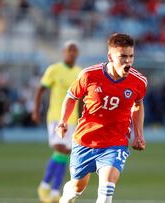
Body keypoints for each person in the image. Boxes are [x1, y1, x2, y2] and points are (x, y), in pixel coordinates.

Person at [57, 33, 147, 203]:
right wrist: (63, 121)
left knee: (106, 191)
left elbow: (138, 105)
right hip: (86, 139)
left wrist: (139, 134)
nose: (128, 61)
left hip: (115, 142)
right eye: (123, 57)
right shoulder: (89, 75)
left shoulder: (139, 81)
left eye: (131, 56)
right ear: (110, 57)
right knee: (77, 187)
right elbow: (71, 96)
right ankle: (66, 195)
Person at [32, 41, 82, 203]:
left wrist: (82, 117)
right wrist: (35, 110)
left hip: (73, 119)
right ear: (63, 52)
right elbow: (40, 90)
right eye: (69, 50)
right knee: (60, 148)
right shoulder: (54, 70)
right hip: (56, 117)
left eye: (74, 51)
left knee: (65, 153)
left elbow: (81, 98)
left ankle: (53, 192)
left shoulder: (80, 73)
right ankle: (46, 186)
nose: (72, 53)